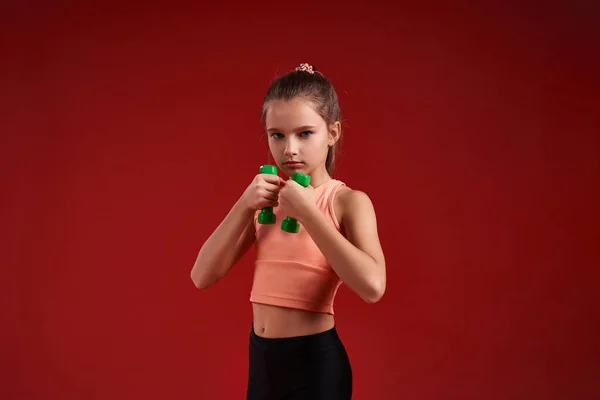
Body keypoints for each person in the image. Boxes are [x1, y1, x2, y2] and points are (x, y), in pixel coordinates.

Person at [190, 62, 386, 399]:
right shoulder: (267, 202)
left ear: (333, 132)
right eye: (277, 134)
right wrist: (243, 205)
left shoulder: (346, 202)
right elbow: (201, 275)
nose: (289, 148)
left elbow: (372, 286)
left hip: (314, 364)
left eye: (305, 133)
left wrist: (309, 214)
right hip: (261, 359)